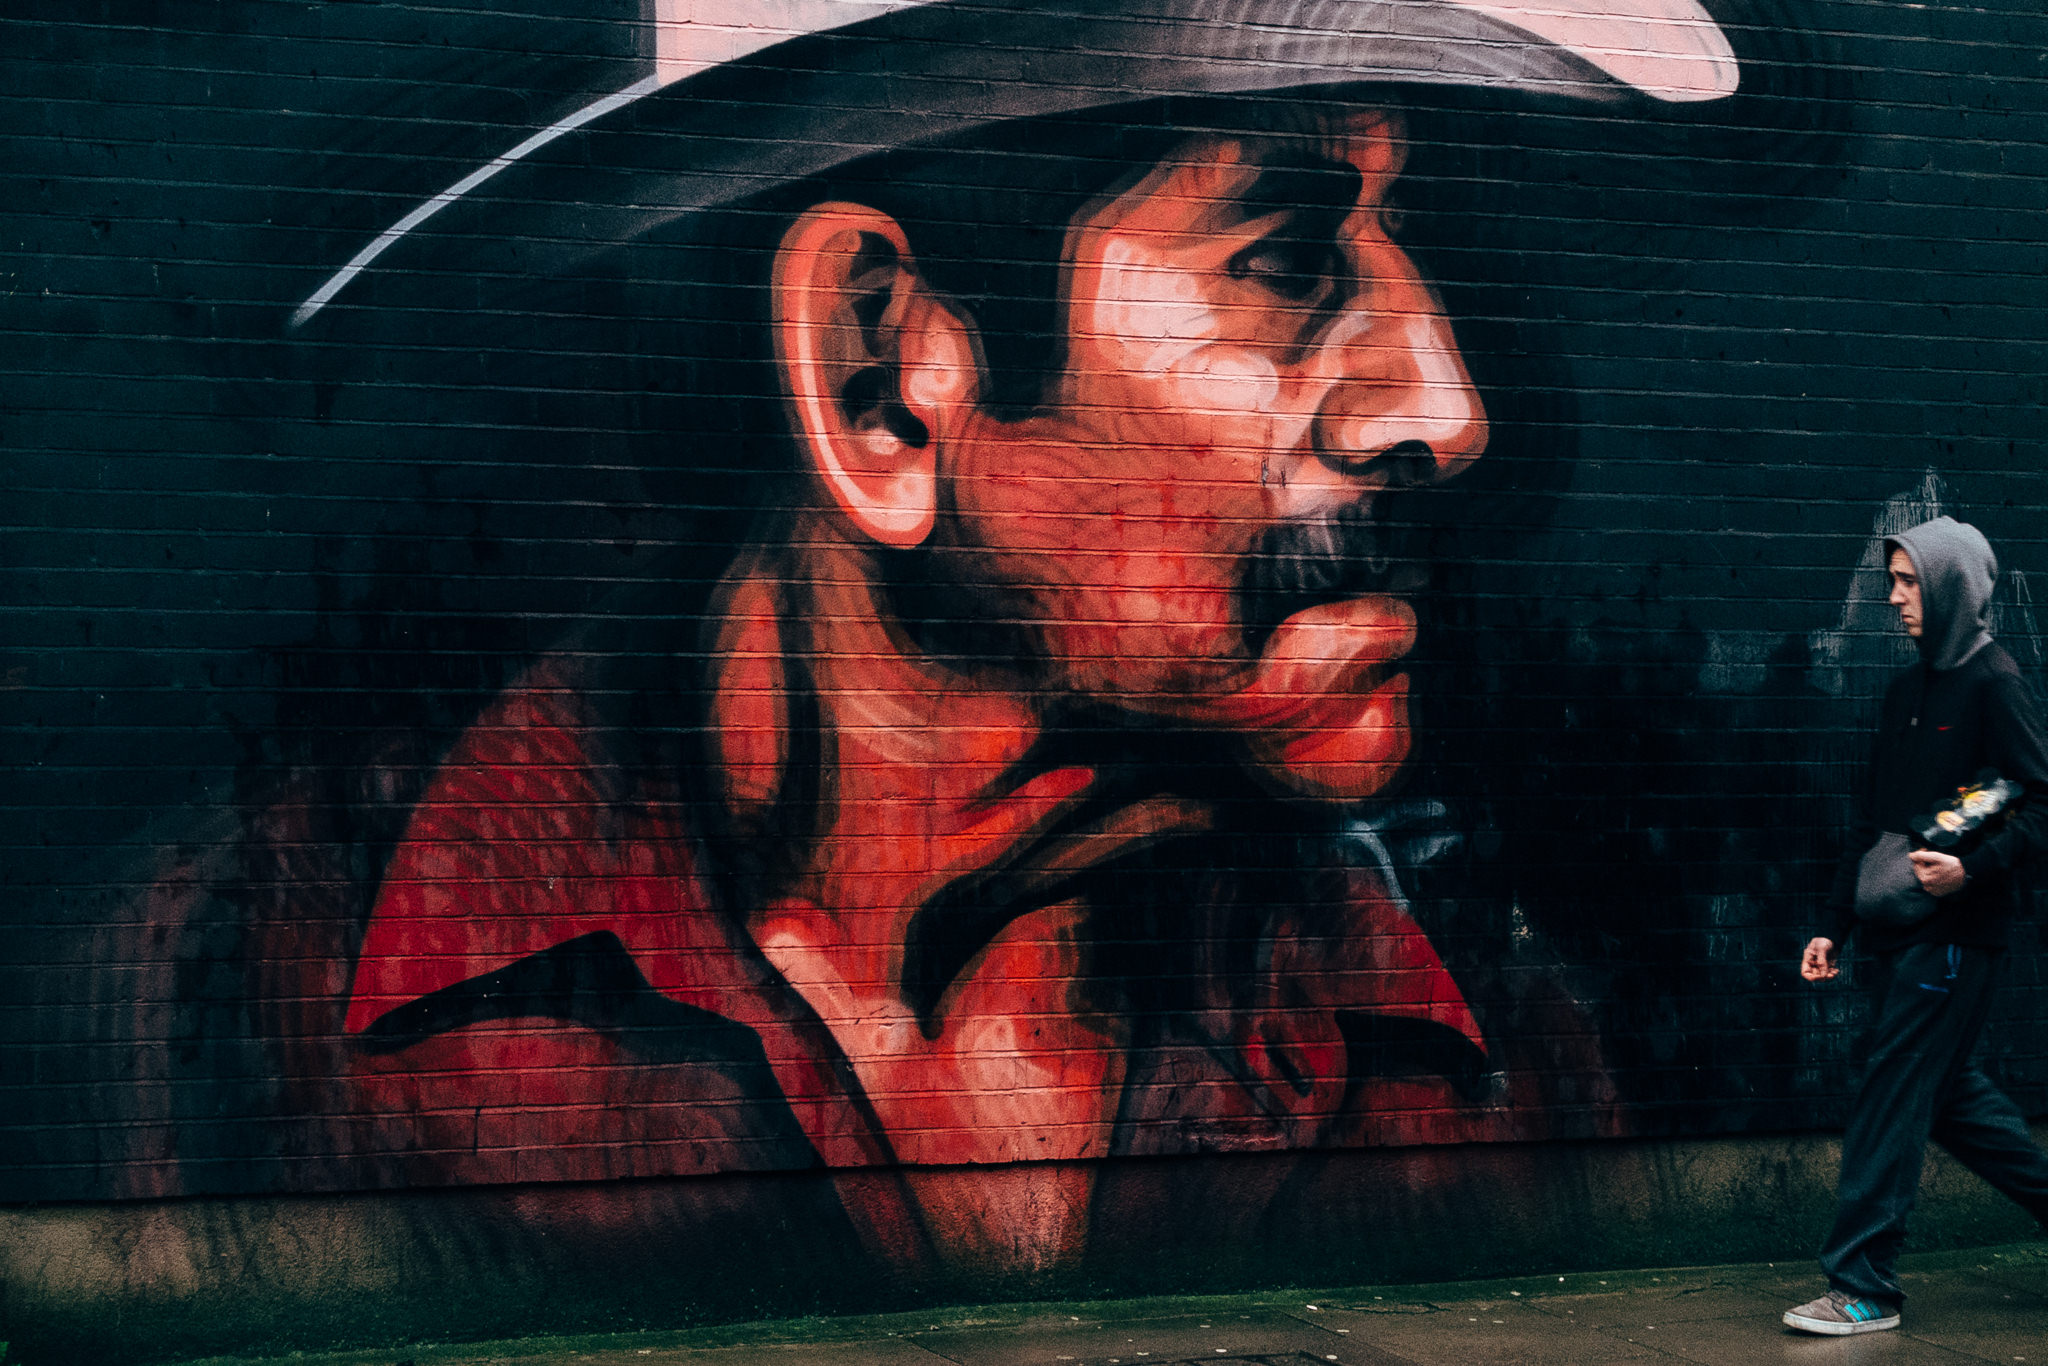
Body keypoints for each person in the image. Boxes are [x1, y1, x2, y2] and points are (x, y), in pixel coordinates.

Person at [228, 1, 1741, 1274]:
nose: (1445, 412)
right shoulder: (233, 1007)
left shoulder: (1475, 1058)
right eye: (1288, 262)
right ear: (880, 376)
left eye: (1411, 248)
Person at [1788, 516, 2048, 1336]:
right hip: (1895, 933)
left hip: (1957, 938)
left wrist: (1976, 866)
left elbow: (2039, 802)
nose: (1897, 598)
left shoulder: (1994, 684)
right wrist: (1835, 924)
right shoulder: (1906, 692)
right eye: (1894, 581)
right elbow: (1875, 825)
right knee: (1947, 1100)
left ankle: (1864, 1286)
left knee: (1890, 1092)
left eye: (1910, 583)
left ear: (1952, 589)